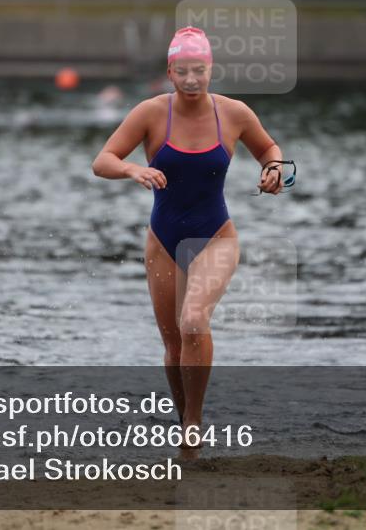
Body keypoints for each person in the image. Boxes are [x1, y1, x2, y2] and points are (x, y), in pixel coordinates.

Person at [92, 26, 284, 458]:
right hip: (162, 239)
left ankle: (193, 423)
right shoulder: (150, 113)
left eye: (200, 70)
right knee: (174, 345)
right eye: (183, 71)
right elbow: (102, 161)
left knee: (194, 320)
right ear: (171, 72)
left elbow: (269, 149)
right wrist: (132, 171)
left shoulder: (234, 113)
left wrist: (274, 170)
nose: (192, 79)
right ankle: (186, 424)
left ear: (210, 69)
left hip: (216, 236)